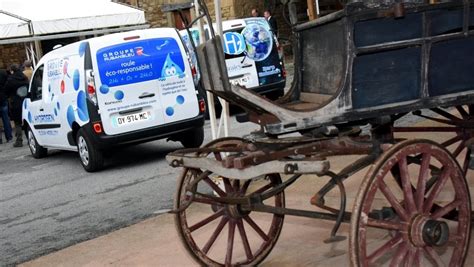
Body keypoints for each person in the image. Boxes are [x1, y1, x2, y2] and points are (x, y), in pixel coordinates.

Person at [4, 64, 29, 147]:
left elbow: (6, 90)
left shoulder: (11, 79)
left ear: (12, 70)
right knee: (27, 121)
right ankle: (30, 139)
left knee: (17, 122)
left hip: (16, 102)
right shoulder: (24, 77)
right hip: (26, 101)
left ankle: (19, 141)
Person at [0, 69, 13, 144]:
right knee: (5, 119)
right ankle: (9, 137)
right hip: (3, 98)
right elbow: (8, 84)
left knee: (5, 119)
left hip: (3, 97)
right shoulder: (3, 73)